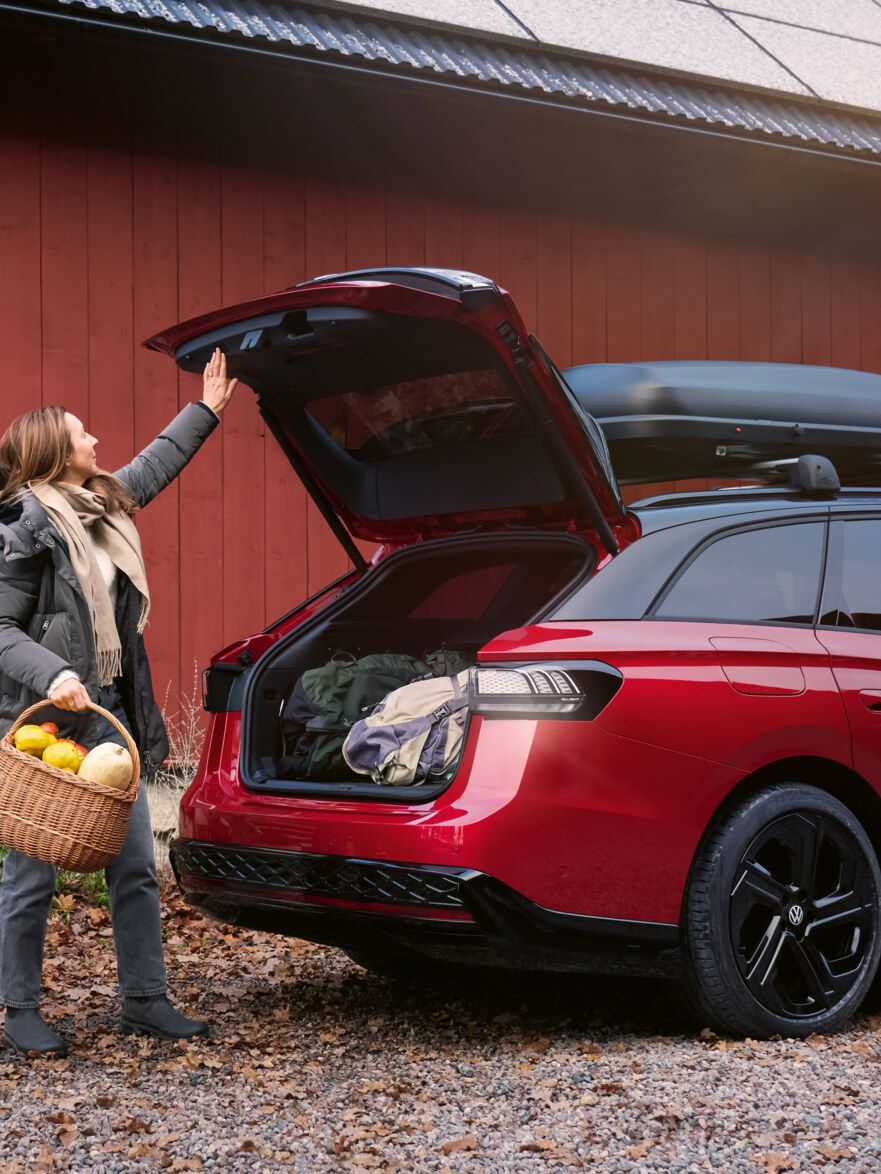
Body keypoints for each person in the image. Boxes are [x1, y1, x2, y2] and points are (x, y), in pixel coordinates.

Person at [0, 349, 237, 1057]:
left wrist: (208, 410)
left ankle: (144, 1000)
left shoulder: (99, 507)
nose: (95, 441)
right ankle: (18, 1011)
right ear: (53, 451)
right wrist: (50, 676)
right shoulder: (23, 530)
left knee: (133, 866)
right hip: (43, 724)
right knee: (31, 875)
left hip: (112, 716)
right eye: (81, 434)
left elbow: (151, 467)